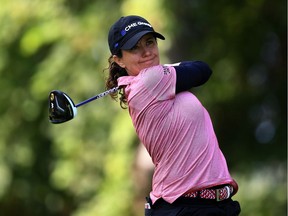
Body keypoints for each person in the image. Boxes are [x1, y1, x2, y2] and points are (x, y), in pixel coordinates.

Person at [105, 15, 241, 216]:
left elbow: (199, 68)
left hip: (210, 206)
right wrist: (172, 67)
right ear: (119, 59)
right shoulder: (149, 81)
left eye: (150, 42)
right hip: (185, 208)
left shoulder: (153, 80)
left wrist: (169, 68)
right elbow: (201, 70)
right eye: (135, 48)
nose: (146, 52)